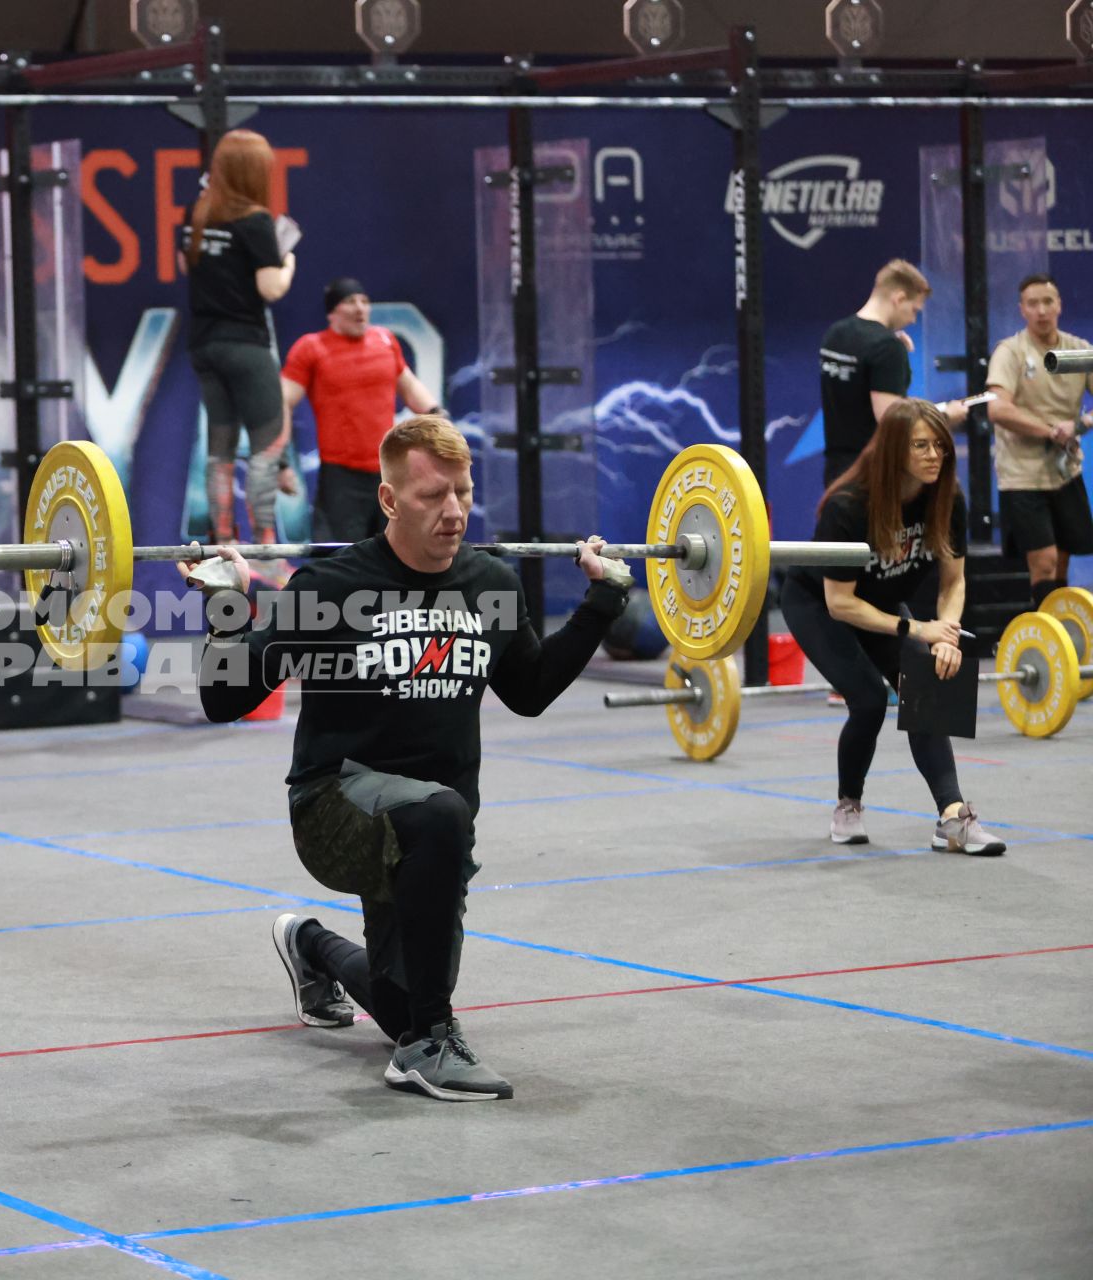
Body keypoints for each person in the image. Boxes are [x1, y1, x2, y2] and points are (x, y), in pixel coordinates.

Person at [180, 415, 632, 1101]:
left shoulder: (491, 585)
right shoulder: (330, 590)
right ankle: (428, 1046)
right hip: (336, 808)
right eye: (432, 496)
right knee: (438, 837)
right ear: (390, 500)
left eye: (462, 492)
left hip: (433, 836)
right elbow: (224, 697)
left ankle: (311, 947)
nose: (453, 513)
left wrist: (602, 602)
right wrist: (224, 602)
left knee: (399, 1002)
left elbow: (531, 691)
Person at [778, 399, 1006, 856]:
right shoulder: (848, 507)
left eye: (940, 445)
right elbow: (840, 603)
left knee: (926, 684)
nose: (934, 455)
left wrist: (946, 630)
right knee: (867, 699)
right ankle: (848, 805)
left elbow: (954, 579)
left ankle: (952, 818)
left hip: (879, 603)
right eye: (920, 445)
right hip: (819, 604)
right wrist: (918, 629)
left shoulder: (946, 498)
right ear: (894, 451)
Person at [178, 128, 297, 546]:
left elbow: (185, 265)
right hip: (245, 343)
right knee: (269, 441)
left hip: (204, 344)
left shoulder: (196, 214)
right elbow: (270, 288)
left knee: (220, 448)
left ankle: (225, 539)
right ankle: (265, 543)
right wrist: (287, 263)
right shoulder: (256, 222)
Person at [281, 277, 442, 543]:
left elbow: (409, 385)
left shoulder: (385, 340)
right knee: (342, 558)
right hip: (341, 478)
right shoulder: (311, 347)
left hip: (389, 473)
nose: (360, 308)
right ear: (332, 312)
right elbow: (281, 402)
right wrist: (281, 463)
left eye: (365, 301)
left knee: (396, 553)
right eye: (350, 302)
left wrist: (438, 415)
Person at [984, 272, 1093, 608]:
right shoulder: (1010, 352)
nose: (1042, 310)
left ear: (1059, 305)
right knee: (1043, 562)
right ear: (1022, 310)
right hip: (1022, 476)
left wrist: (1081, 424)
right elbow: (997, 410)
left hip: (1065, 472)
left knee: (1062, 559)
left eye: (1048, 301)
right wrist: (1049, 431)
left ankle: (1058, 639)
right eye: (1033, 304)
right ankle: (1046, 641)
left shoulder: (1079, 350)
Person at [818, 259, 967, 487]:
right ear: (898, 299)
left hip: (836, 471)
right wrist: (945, 416)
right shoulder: (887, 347)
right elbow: (891, 419)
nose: (912, 319)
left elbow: (856, 384)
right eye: (914, 310)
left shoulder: (835, 333)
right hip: (872, 474)